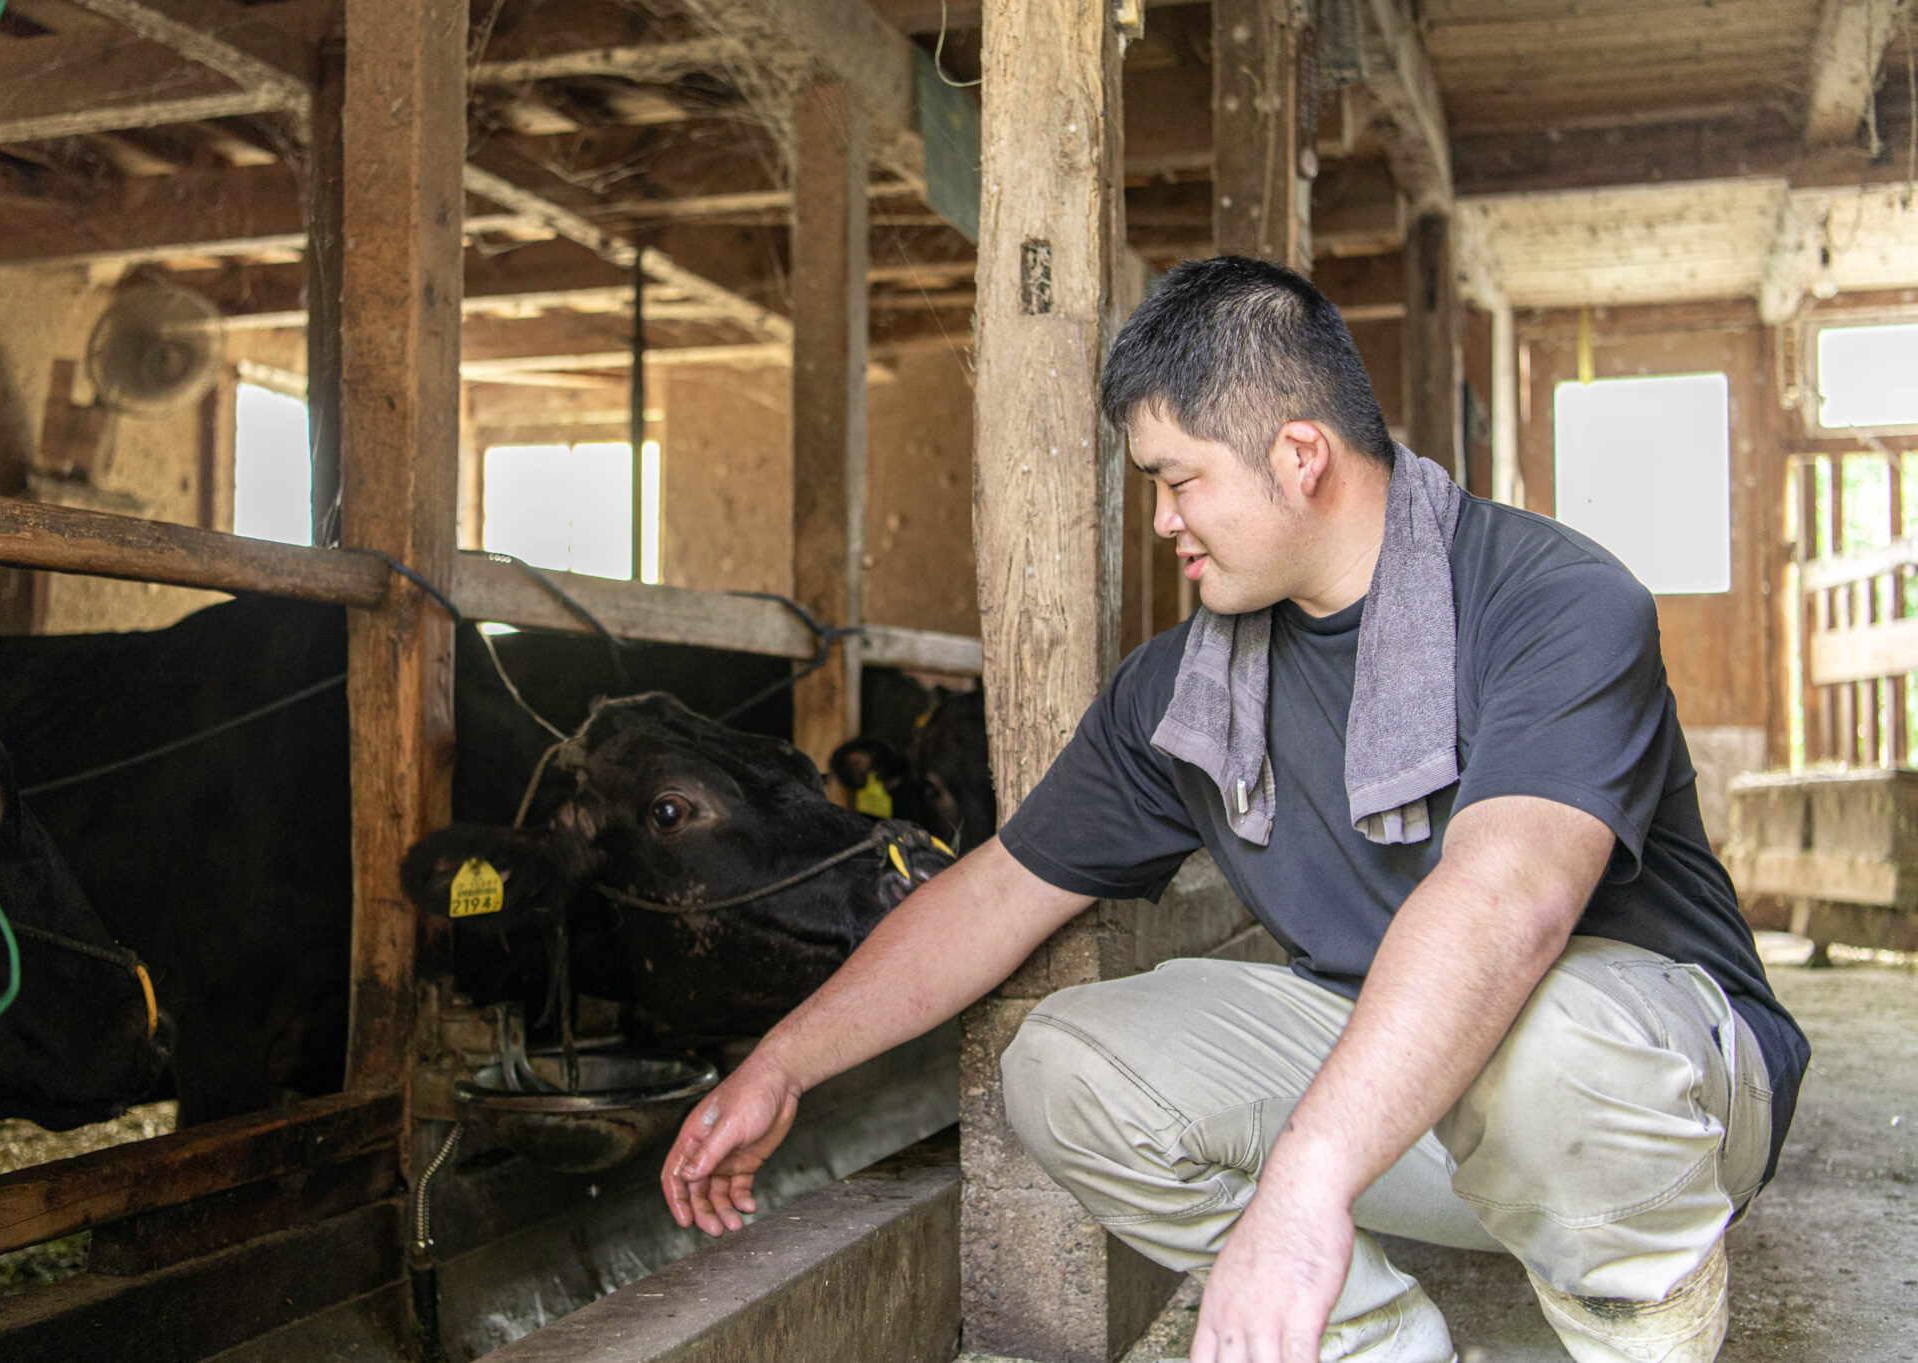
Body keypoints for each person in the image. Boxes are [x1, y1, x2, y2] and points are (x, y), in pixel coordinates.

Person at [658, 255, 1808, 1363]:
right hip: (1401, 1094)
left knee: (1548, 1048)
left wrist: (1303, 1185)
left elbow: (1506, 902)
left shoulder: (1553, 602)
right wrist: (785, 1060)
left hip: (1647, 1104)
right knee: (1061, 1065)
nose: (1162, 520)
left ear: (1299, 454)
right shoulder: (1182, 691)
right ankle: (1371, 1344)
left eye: (1175, 478)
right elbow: (1001, 887)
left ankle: (1640, 1318)